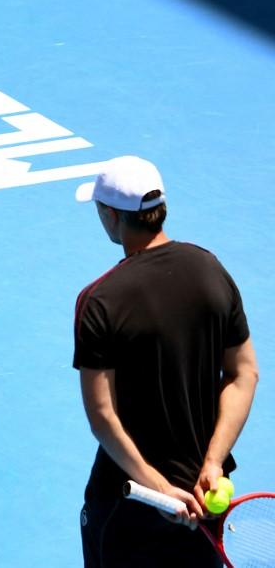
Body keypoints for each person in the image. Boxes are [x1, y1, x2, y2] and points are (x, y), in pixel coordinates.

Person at [73, 156, 259, 567]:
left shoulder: (100, 300)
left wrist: (155, 486)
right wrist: (212, 462)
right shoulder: (212, 270)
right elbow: (245, 373)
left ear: (110, 215)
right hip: (203, 497)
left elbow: (102, 415)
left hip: (131, 501)